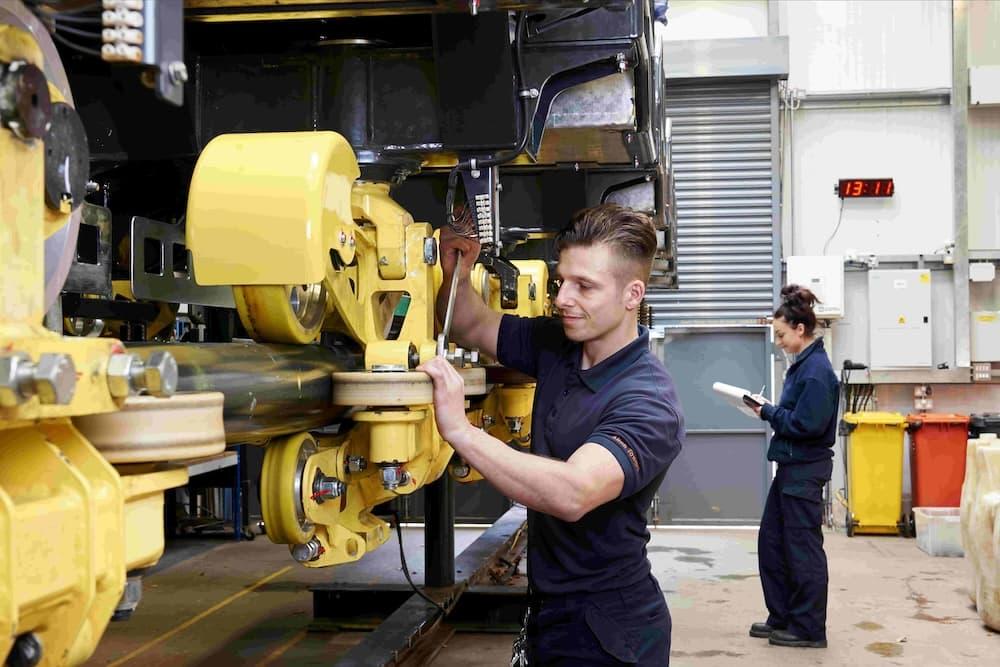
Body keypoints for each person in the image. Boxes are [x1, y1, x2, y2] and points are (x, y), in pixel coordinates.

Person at [419, 204, 684, 665]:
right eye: (563, 281)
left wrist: (460, 431)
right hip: (550, 606)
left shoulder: (648, 401)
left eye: (585, 286)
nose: (563, 298)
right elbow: (469, 323)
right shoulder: (559, 344)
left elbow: (573, 492)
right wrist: (457, 271)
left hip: (608, 626)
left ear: (632, 295)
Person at [749, 284, 839, 649]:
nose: (779, 341)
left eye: (782, 334)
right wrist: (770, 409)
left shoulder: (817, 372)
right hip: (790, 469)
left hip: (805, 470)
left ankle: (808, 628)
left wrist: (768, 412)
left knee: (802, 550)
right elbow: (798, 416)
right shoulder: (802, 367)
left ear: (800, 330)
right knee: (773, 544)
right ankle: (783, 615)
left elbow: (807, 425)